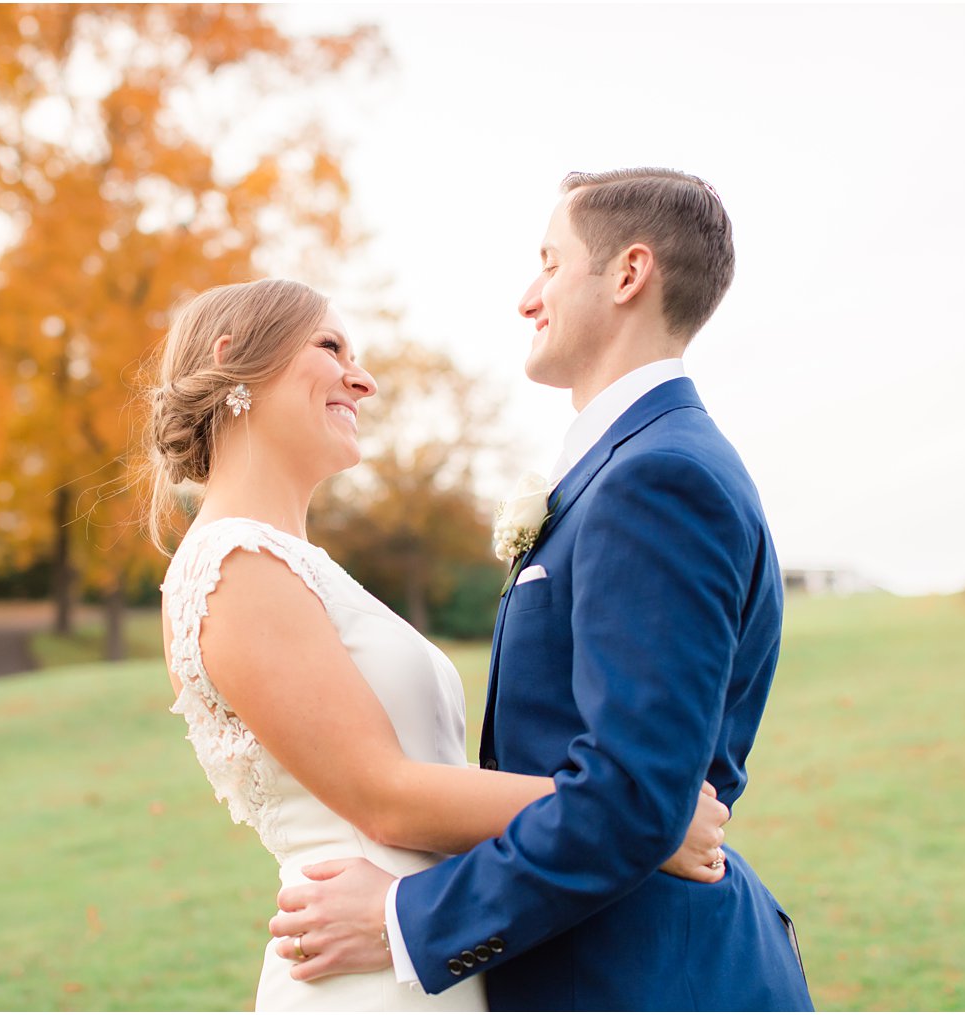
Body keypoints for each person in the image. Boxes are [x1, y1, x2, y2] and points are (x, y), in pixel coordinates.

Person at [267, 169, 816, 1011]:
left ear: (629, 274)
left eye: (550, 263)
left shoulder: (658, 478)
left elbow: (635, 795)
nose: (529, 296)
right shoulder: (638, 465)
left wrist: (404, 919)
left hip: (640, 977)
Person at [149, 277, 733, 1012]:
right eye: (330, 347)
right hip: (363, 971)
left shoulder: (297, 565)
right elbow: (384, 794)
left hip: (420, 944)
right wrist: (639, 818)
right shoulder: (230, 566)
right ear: (236, 361)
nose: (362, 378)